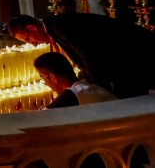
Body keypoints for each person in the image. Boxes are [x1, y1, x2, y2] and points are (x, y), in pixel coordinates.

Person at [8, 13, 155, 99]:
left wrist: (99, 89)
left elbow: (89, 55)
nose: (32, 44)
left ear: (31, 27)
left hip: (135, 54)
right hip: (125, 60)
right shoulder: (55, 26)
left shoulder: (61, 25)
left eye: (28, 39)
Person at [33, 52, 117, 109]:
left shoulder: (73, 94)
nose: (45, 83)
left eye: (42, 77)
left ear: (53, 77)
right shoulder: (89, 87)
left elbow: (42, 117)